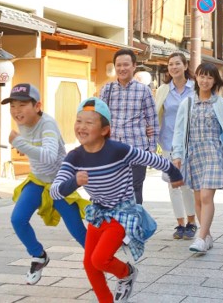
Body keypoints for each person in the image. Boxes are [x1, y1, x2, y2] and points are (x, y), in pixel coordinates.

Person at [50, 97, 183, 303]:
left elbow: (154, 159)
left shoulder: (119, 151)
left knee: (100, 259)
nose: (81, 127)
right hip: (99, 213)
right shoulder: (74, 157)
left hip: (123, 212)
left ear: (104, 130)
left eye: (89, 122)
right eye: (78, 121)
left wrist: (174, 174)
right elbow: (55, 191)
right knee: (89, 264)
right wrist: (73, 182)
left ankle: (126, 273)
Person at [4, 83, 87, 285]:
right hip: (38, 180)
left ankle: (101, 259)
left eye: (22, 105)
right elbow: (36, 149)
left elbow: (49, 156)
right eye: (12, 106)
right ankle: (39, 255)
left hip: (60, 183)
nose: (16, 111)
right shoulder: (22, 122)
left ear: (37, 105)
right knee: (18, 219)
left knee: (78, 231)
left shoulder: (47, 124)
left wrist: (20, 144)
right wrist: (26, 147)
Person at [172, 62, 223, 254]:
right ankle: (207, 236)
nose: (205, 80)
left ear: (215, 80)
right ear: (196, 78)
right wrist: (177, 155)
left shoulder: (221, 104)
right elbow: (179, 130)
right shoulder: (187, 103)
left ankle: (201, 237)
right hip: (194, 153)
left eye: (209, 77)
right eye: (202, 76)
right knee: (198, 199)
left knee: (207, 196)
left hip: (214, 152)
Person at [99, 48, 159, 204]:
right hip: (113, 151)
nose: (122, 68)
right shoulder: (107, 89)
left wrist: (152, 151)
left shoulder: (144, 91)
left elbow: (152, 120)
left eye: (126, 65)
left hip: (137, 149)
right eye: (118, 65)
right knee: (113, 189)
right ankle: (118, 226)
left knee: (134, 189)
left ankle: (135, 225)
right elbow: (100, 119)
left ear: (134, 66)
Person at [155, 52, 197, 240]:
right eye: (170, 64)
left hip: (190, 142)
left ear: (185, 66)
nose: (173, 67)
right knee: (173, 184)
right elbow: (157, 113)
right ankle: (180, 223)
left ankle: (192, 222)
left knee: (187, 183)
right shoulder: (163, 90)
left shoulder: (195, 88)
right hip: (168, 142)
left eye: (177, 63)